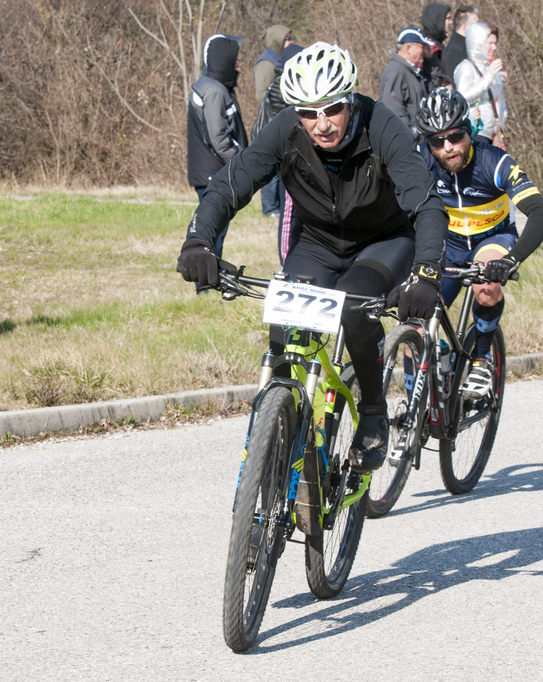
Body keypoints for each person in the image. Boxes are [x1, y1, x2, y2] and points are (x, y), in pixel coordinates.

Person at [177, 43, 449, 474]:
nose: (321, 124)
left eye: (332, 109)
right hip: (318, 242)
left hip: (383, 240)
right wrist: (198, 242)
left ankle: (373, 409)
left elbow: (427, 204)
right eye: (308, 112)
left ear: (350, 100)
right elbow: (231, 183)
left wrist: (427, 273)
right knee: (286, 324)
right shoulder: (285, 129)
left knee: (354, 307)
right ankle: (280, 425)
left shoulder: (382, 125)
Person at [416, 87, 543, 397]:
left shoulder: (494, 161)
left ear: (469, 130)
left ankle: (482, 359)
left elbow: (541, 214)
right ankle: (417, 405)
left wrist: (511, 259)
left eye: (456, 136)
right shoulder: (421, 159)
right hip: (448, 243)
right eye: (437, 141)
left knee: (487, 286)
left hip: (493, 237)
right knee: (416, 319)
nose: (448, 147)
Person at [186, 33, 248, 271]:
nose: (238, 64)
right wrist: (241, 161)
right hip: (213, 173)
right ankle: (206, 280)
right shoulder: (214, 91)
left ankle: (206, 278)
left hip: (208, 171)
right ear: (223, 60)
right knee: (213, 231)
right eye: (234, 59)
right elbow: (219, 139)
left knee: (211, 229)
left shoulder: (207, 85)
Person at [253, 25, 293, 219]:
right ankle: (270, 209)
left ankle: (278, 206)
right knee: (270, 167)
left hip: (280, 116)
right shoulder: (266, 63)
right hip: (269, 118)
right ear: (278, 39)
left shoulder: (281, 59)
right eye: (287, 38)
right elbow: (261, 95)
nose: (291, 41)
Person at [454, 22, 507, 147]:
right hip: (477, 132)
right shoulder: (465, 67)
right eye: (490, 43)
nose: (494, 47)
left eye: (495, 43)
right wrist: (488, 77)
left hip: (494, 134)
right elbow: (462, 98)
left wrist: (501, 122)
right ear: (478, 43)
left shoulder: (490, 67)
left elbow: (499, 100)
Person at [378, 27, 433, 135]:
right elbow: (393, 110)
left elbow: (433, 86)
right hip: (408, 139)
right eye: (423, 47)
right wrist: (413, 133)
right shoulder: (396, 71)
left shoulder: (410, 70)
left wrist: (431, 60)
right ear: (408, 49)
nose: (425, 50)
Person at [441, 5, 479, 79]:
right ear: (464, 28)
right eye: (475, 25)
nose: (478, 29)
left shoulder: (465, 48)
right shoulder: (455, 53)